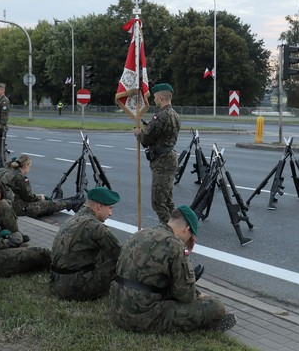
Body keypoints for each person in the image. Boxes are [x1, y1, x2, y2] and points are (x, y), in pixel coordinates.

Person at [109, 205, 235, 333]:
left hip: (117, 309)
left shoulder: (141, 233)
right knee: (216, 306)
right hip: (141, 317)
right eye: (191, 235)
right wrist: (201, 295)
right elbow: (185, 295)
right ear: (187, 229)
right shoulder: (175, 245)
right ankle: (207, 326)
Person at [50, 186, 122, 300]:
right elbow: (121, 252)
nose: (110, 213)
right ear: (100, 206)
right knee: (122, 260)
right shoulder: (94, 226)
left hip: (56, 282)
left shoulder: (76, 217)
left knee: (104, 250)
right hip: (74, 288)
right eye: (110, 208)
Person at [133, 83, 181, 223]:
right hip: (169, 158)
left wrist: (139, 133)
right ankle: (176, 227)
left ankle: (168, 231)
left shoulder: (160, 116)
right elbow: (164, 135)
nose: (154, 100)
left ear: (161, 97)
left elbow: (147, 139)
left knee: (158, 201)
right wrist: (149, 129)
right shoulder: (175, 115)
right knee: (167, 200)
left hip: (161, 161)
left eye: (154, 97)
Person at [0, 154, 85, 217]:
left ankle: (69, 200)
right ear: (26, 165)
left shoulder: (1, 170)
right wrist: (40, 197)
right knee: (46, 204)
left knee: (44, 201)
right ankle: (72, 203)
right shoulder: (20, 177)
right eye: (30, 166)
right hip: (15, 207)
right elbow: (29, 198)